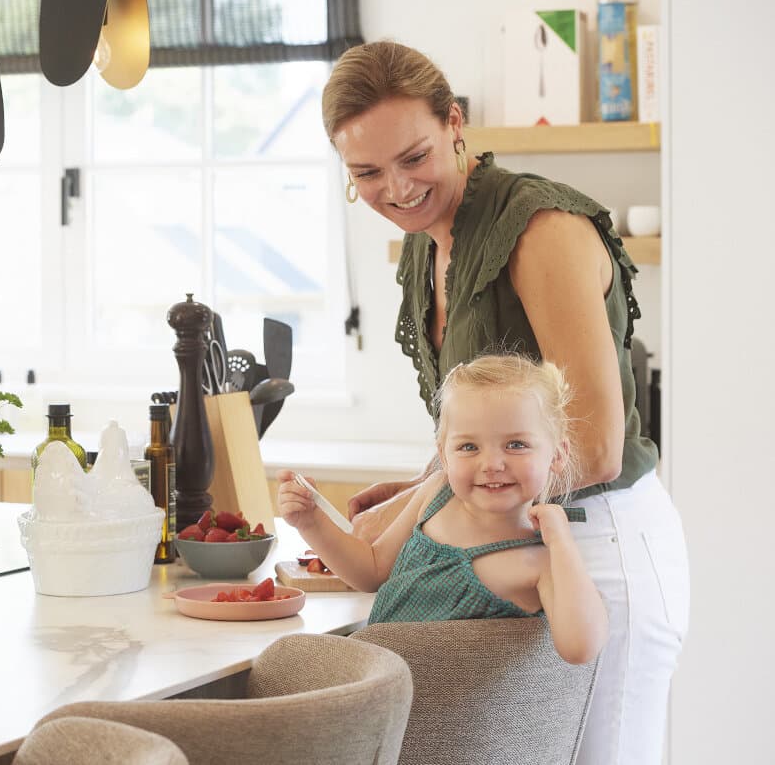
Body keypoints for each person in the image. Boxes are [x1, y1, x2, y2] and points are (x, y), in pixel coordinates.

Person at [309, 40, 690, 765]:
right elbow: (484, 416)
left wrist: (442, 493)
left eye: (413, 157)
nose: (396, 188)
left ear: (454, 124)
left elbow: (594, 446)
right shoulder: (429, 240)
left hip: (596, 547)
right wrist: (430, 483)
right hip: (514, 549)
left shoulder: (539, 232)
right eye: (365, 172)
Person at [279, 354, 608, 666]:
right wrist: (310, 523)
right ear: (444, 454)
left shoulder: (541, 563)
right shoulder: (437, 493)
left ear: (557, 454)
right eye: (468, 447)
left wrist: (561, 540)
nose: (492, 464)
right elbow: (370, 570)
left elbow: (581, 648)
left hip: (444, 717)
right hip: (375, 692)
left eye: (516, 445)